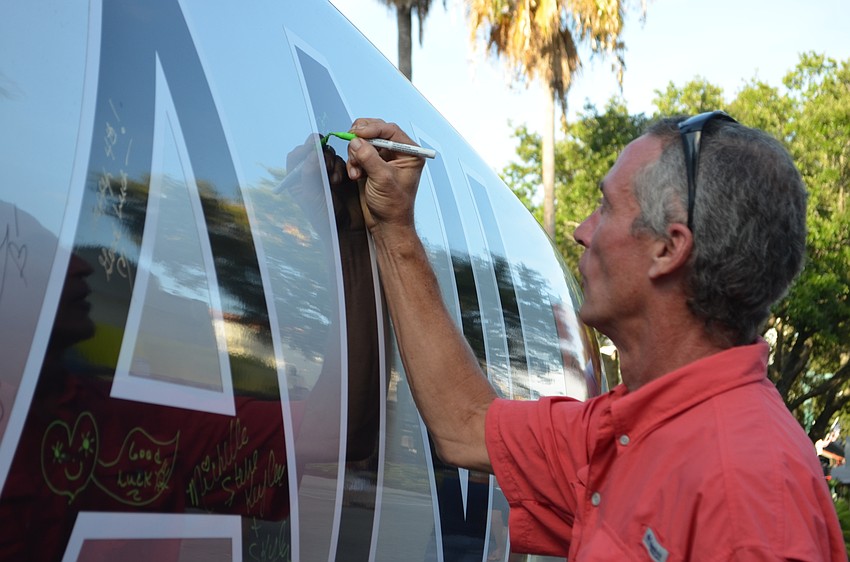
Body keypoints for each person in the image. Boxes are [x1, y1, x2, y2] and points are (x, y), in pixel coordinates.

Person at [341, 113, 847, 560]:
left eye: (605, 208)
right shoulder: (621, 430)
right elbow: (465, 424)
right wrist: (394, 227)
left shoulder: (749, 496)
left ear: (669, 250)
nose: (583, 230)